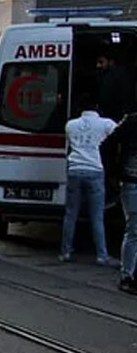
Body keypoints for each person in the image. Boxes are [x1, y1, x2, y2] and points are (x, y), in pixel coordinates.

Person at [60, 92, 117, 265]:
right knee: (97, 215)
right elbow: (119, 132)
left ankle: (66, 252)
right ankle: (102, 255)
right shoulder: (105, 124)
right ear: (97, 107)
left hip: (75, 169)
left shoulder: (71, 125)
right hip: (94, 170)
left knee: (71, 214)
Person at [108, 111, 137, 292]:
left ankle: (129, 274)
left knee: (134, 230)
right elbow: (108, 145)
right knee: (134, 229)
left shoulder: (130, 121)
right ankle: (127, 275)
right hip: (132, 182)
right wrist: (115, 171)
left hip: (130, 181)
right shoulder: (131, 122)